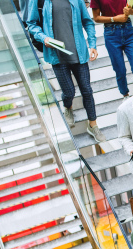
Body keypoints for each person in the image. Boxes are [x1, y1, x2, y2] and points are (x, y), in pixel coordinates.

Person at [27, 0, 106, 142]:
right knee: (69, 92)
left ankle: (93, 125)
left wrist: (92, 43)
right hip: (57, 55)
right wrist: (43, 37)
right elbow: (31, 24)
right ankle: (68, 106)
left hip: (79, 53)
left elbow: (87, 21)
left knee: (87, 90)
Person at [90, 0, 133, 99]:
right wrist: (114, 19)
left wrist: (130, 11)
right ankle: (125, 95)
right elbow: (96, 18)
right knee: (120, 70)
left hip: (128, 30)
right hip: (111, 34)